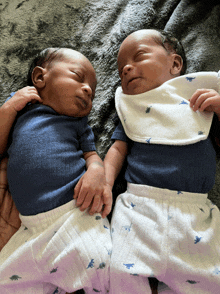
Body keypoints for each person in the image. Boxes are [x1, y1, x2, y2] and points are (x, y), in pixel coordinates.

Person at [104, 29, 220, 294]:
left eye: (139, 56)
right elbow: (118, 150)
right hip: (138, 207)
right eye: (121, 69)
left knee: (209, 281)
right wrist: (105, 183)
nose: (127, 69)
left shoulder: (200, 100)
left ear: (175, 64)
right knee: (120, 272)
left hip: (194, 214)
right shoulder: (132, 109)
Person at [0, 47, 112, 294]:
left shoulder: (78, 123)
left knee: (101, 268)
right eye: (78, 77)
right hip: (30, 227)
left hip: (75, 212)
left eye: (92, 90)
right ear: (40, 78)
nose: (88, 90)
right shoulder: (20, 109)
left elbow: (91, 154)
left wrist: (96, 170)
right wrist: (8, 109)